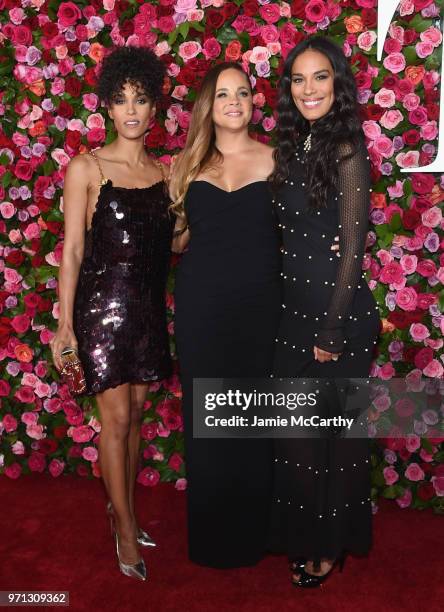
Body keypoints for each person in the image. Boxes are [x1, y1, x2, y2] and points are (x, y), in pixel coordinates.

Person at [50, 46, 173, 582]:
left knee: (138, 419)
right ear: (106, 106)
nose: (130, 109)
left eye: (140, 99)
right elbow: (72, 250)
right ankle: (124, 526)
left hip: (146, 312)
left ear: (154, 110)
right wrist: (63, 323)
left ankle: (121, 507)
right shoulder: (87, 166)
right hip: (102, 310)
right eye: (120, 99)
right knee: (116, 420)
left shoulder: (166, 173)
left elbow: (175, 243)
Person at [268, 37, 380, 587]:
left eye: (320, 78)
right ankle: (309, 533)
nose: (308, 89)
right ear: (288, 89)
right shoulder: (294, 146)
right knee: (297, 439)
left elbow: (353, 248)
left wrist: (333, 328)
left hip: (338, 321)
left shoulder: (346, 148)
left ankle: (329, 547)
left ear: (337, 85)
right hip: (294, 317)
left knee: (336, 443)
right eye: (298, 79)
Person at [169, 62, 282, 568]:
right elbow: (180, 239)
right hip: (202, 307)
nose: (234, 101)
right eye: (222, 94)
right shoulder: (188, 165)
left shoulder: (277, 159)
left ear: (254, 102)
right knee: (210, 419)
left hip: (261, 307)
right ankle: (213, 538)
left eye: (243, 92)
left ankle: (255, 534)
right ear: (208, 106)